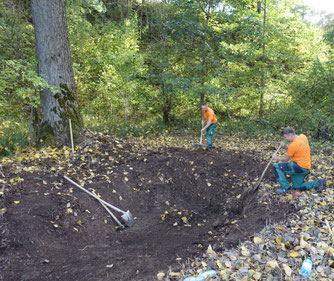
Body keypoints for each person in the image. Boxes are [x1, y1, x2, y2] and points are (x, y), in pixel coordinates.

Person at [272, 127, 325, 194]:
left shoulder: (293, 145)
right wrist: (285, 146)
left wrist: (276, 157)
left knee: (276, 166)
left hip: (299, 167)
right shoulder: (303, 137)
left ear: (291, 135)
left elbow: (286, 159)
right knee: (297, 187)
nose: (285, 139)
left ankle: (286, 189)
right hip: (306, 168)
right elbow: (296, 148)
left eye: (285, 137)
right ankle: (318, 183)